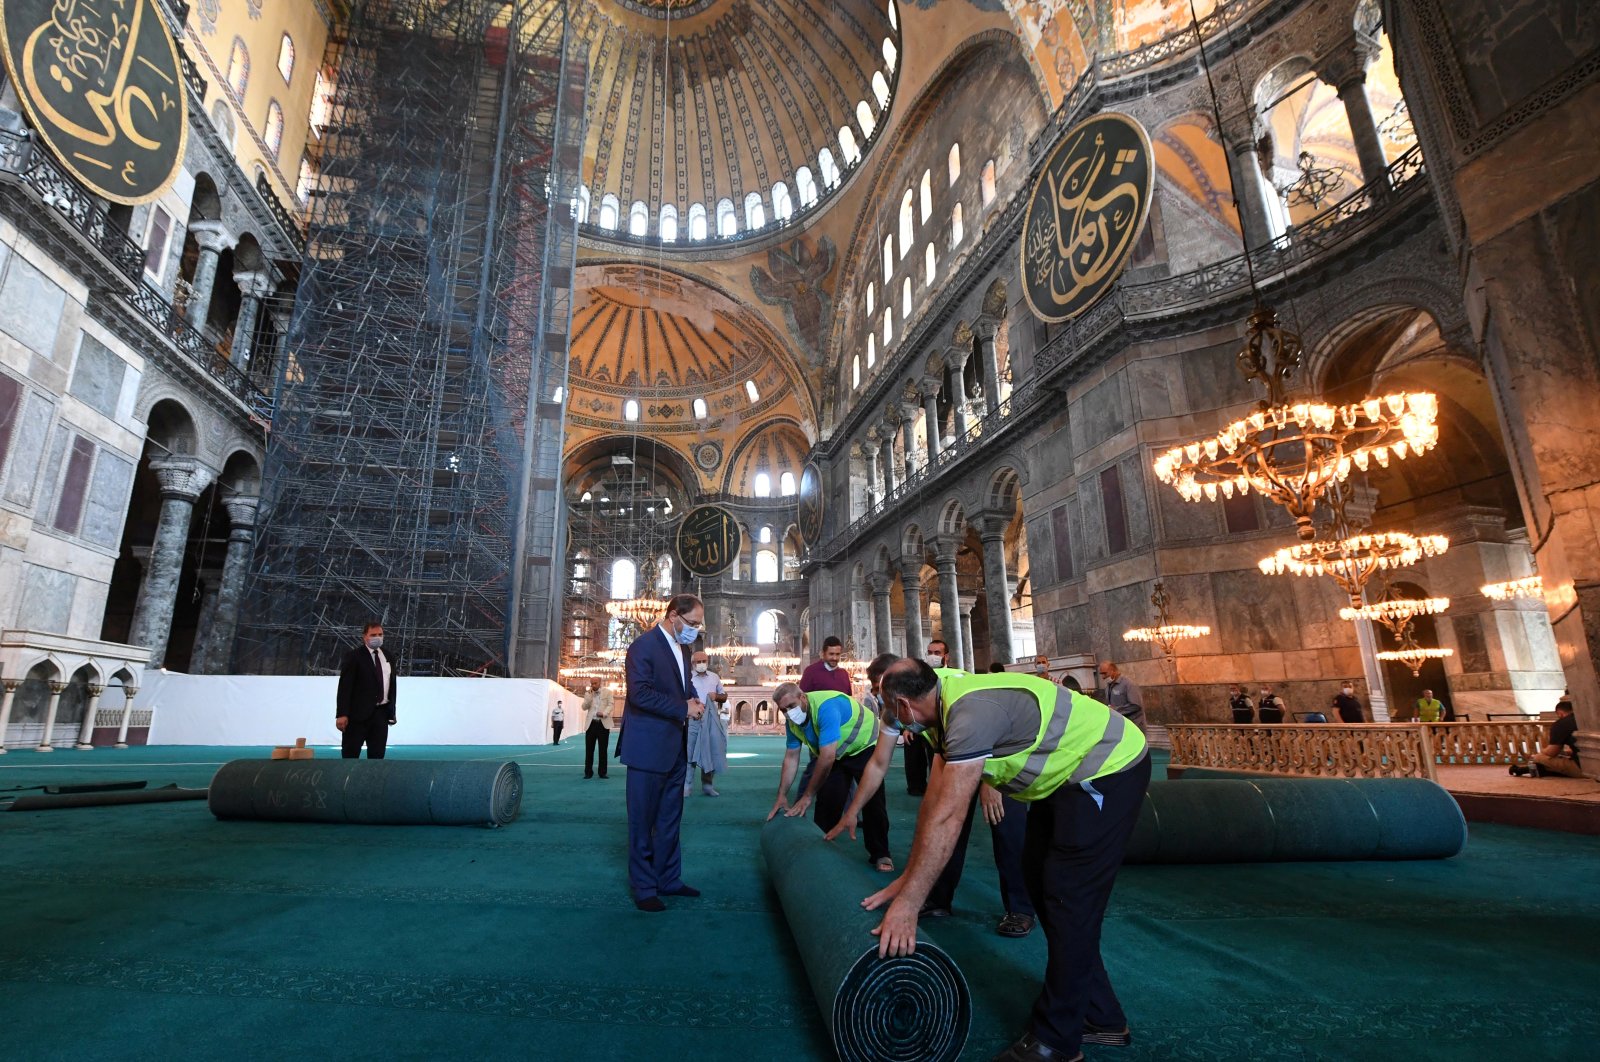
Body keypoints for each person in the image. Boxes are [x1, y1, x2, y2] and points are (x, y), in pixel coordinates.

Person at [866, 661, 1150, 1061]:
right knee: (1039, 882)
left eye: (889, 710)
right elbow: (933, 806)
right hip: (1063, 780)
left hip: (1108, 768)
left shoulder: (968, 715)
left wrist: (909, 905)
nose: (891, 721)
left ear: (904, 704)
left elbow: (950, 817)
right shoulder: (937, 700)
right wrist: (908, 880)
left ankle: (1056, 1040)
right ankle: (1102, 1017)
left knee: (1068, 897)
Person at [618, 593, 706, 913]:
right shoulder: (643, 646)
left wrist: (694, 700)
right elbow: (639, 694)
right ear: (673, 616)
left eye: (698, 625)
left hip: (674, 747)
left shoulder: (683, 649)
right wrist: (682, 708)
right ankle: (644, 887)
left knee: (670, 819)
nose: (695, 630)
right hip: (646, 748)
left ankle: (668, 879)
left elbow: (682, 690)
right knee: (642, 821)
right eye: (692, 623)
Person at [767, 681, 892, 872]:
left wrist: (807, 796)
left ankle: (880, 853)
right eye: (783, 710)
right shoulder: (792, 722)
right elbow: (791, 757)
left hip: (864, 745)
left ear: (803, 697)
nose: (788, 713)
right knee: (828, 800)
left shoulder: (826, 707)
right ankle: (821, 849)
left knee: (872, 800)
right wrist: (782, 795)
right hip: (836, 753)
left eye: (791, 706)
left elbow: (826, 758)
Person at [336, 622, 396, 759]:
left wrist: (392, 711)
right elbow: (345, 687)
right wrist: (342, 714)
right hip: (356, 717)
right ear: (364, 637)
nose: (377, 637)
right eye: (373, 635)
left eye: (380, 634)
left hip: (381, 715)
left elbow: (391, 685)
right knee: (350, 755)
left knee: (377, 756)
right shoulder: (354, 656)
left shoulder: (388, 656)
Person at [900, 639, 951, 796]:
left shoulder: (953, 674)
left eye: (937, 653)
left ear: (946, 657)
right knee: (912, 743)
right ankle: (916, 786)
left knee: (935, 754)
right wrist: (909, 726)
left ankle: (939, 787)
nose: (932, 656)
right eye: (929, 653)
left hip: (943, 723)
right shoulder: (919, 676)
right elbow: (911, 700)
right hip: (920, 722)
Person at [687, 650, 729, 797]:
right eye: (698, 662)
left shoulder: (714, 677)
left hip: (710, 720)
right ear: (692, 664)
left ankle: (707, 785)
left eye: (704, 661)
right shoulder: (688, 678)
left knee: (710, 751)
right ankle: (687, 786)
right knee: (689, 753)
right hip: (693, 720)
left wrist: (716, 696)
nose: (701, 664)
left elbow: (724, 696)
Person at [1510, 700, 1583, 778]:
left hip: (1583, 768)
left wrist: (1541, 752)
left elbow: (1552, 752)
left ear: (1560, 713)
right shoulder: (1584, 719)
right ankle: (1526, 770)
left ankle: (1527, 769)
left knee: (1538, 758)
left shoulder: (1561, 724)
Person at [1096, 660, 1147, 733]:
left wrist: (1115, 710)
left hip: (1134, 727)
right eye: (1101, 674)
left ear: (1113, 670)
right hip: (1121, 727)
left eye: (1104, 673)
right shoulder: (1108, 686)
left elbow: (1136, 705)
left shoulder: (1128, 684)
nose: (1103, 677)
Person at [581, 681, 614, 779]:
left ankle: (602, 772)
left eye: (595, 683)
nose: (593, 685)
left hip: (603, 724)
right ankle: (588, 772)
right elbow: (584, 707)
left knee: (603, 750)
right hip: (591, 725)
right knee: (589, 750)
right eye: (592, 683)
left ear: (600, 683)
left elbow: (611, 705)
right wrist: (588, 697)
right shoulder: (588, 694)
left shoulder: (608, 692)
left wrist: (604, 713)